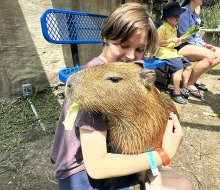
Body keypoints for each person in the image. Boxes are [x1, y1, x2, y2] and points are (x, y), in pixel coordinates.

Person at [50, 3, 193, 190]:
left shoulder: (122, 68)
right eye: (123, 45)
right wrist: (163, 154)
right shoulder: (95, 85)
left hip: (114, 157)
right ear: (105, 38)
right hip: (82, 172)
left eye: (140, 49)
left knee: (182, 185)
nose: (131, 55)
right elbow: (97, 166)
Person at [177, 0, 220, 98]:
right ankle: (189, 84)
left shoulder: (195, 15)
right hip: (181, 45)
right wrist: (201, 47)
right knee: (209, 55)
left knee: (219, 53)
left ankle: (194, 78)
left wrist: (204, 45)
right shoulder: (183, 12)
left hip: (192, 44)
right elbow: (184, 36)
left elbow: (196, 36)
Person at [156, 2, 192, 104]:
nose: (178, 17)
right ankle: (176, 93)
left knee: (188, 65)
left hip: (172, 52)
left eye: (179, 15)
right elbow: (156, 42)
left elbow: (174, 46)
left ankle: (184, 87)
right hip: (163, 52)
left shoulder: (173, 28)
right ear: (168, 17)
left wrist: (180, 41)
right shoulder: (162, 28)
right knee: (179, 68)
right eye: (176, 15)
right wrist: (170, 40)